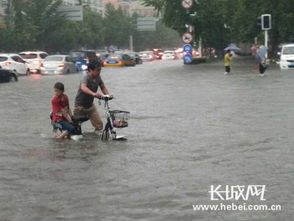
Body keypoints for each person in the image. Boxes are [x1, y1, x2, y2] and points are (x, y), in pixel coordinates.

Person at [74, 59, 111, 132]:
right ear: (90, 70)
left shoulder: (98, 77)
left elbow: (103, 87)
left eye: (100, 70)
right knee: (75, 127)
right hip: (80, 107)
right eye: (97, 70)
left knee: (99, 125)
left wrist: (107, 95)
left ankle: (94, 141)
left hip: (90, 107)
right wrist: (93, 94)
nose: (99, 72)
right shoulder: (86, 78)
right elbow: (83, 87)